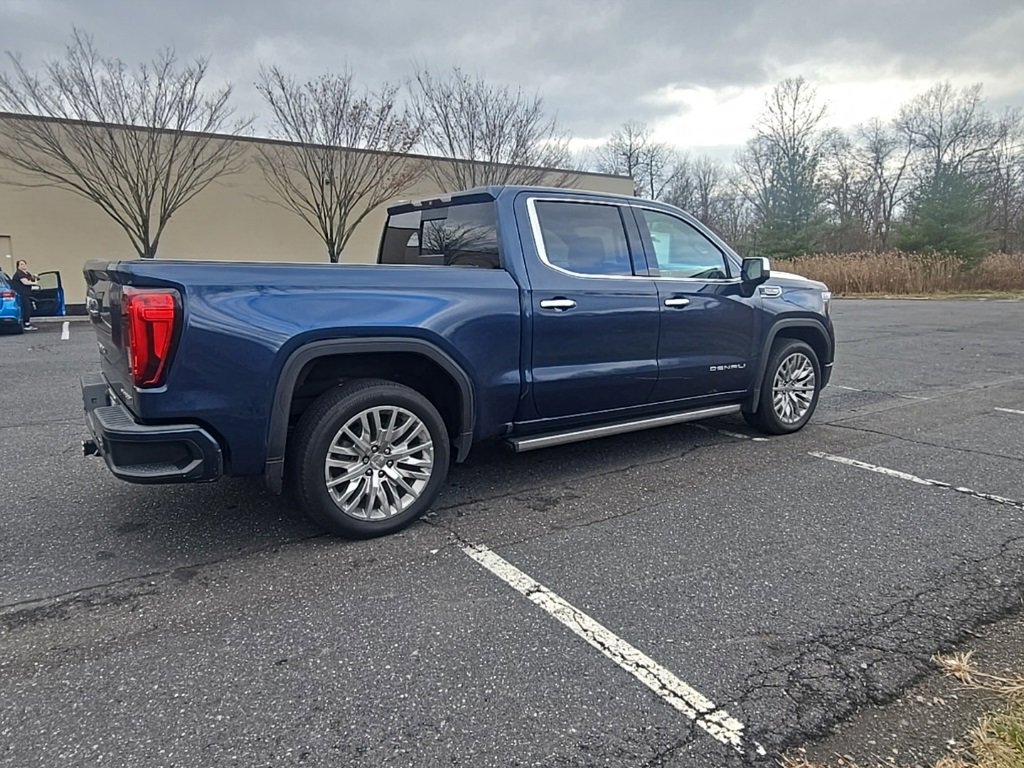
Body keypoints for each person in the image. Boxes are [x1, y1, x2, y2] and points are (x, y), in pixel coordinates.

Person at [11, 259, 38, 330]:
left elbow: (30, 279)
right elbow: (25, 282)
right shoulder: (19, 274)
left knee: (28, 308)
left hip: (27, 294)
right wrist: (34, 283)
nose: (24, 265)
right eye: (21, 264)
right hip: (21, 294)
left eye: (24, 264)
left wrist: (34, 277)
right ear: (18, 266)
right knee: (27, 308)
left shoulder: (26, 273)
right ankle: (26, 324)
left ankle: (27, 323)